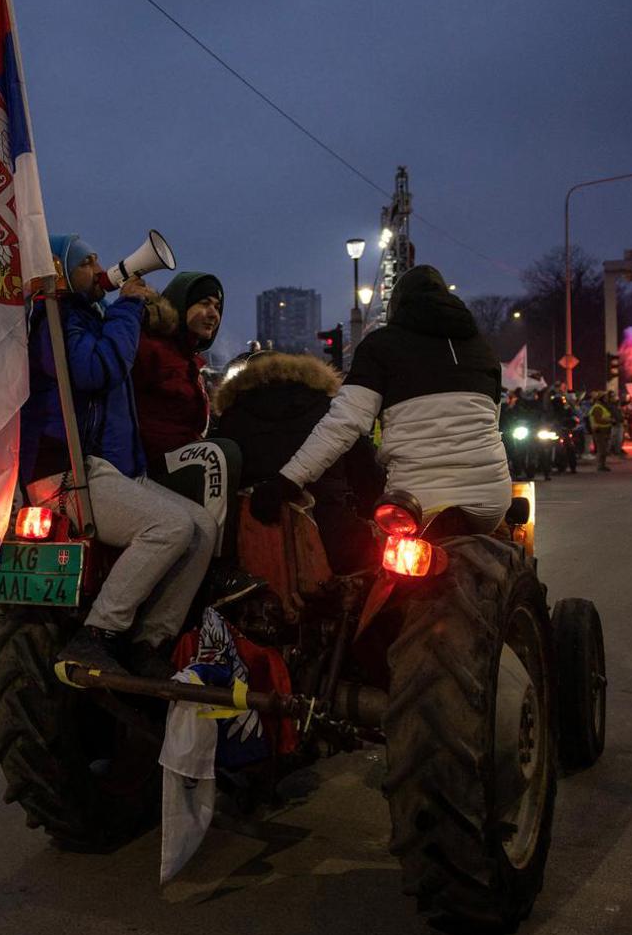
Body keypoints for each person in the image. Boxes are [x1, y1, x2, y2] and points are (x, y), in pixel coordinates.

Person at [21, 234, 217, 678]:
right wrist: (127, 307)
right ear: (63, 274)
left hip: (106, 468)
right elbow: (96, 370)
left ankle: (150, 640)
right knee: (169, 526)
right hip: (65, 470)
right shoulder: (57, 321)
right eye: (86, 263)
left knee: (203, 528)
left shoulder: (86, 318)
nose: (100, 267)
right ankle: (98, 633)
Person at [247, 265, 512, 534]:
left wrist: (287, 481)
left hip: (416, 504)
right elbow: (493, 420)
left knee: (392, 568)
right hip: (491, 502)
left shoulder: (380, 346)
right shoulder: (483, 349)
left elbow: (343, 424)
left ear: (397, 306)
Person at [212, 350, 384, 572]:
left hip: (261, 547)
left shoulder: (232, 419)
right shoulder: (333, 412)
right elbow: (369, 480)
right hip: (337, 541)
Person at [132, 271, 223, 461]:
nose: (214, 314)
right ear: (181, 304)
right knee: (221, 455)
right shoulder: (150, 348)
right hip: (154, 464)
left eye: (217, 307)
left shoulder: (187, 358)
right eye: (204, 303)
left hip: (182, 455)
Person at [588, 392, 615, 471]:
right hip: (599, 430)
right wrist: (609, 420)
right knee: (601, 449)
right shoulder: (597, 407)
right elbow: (598, 419)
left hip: (604, 430)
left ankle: (602, 465)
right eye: (605, 398)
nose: (607, 399)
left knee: (604, 449)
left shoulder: (601, 406)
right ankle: (600, 466)